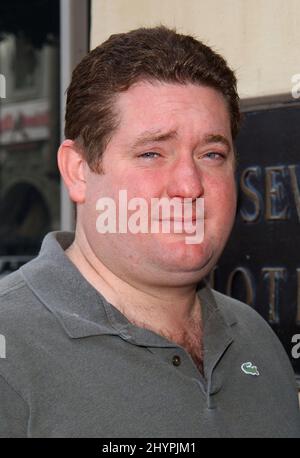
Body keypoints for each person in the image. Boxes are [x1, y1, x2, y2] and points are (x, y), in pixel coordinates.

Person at [0, 26, 299, 438]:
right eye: (152, 153)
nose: (190, 185)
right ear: (78, 171)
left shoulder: (253, 336)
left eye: (211, 154)